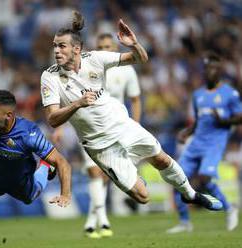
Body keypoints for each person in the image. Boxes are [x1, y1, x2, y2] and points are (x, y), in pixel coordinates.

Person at [40, 11, 223, 220]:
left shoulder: (96, 59)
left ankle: (190, 194)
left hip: (122, 125)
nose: (56, 50)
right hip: (99, 144)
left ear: (77, 49)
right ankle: (131, 174)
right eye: (55, 45)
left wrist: (133, 44)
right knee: (142, 196)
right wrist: (77, 104)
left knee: (161, 158)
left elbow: (140, 58)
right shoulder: (50, 77)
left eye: (61, 46)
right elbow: (53, 120)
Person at [166, 53, 242, 233]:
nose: (209, 72)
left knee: (205, 178)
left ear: (219, 71)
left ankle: (229, 208)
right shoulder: (198, 95)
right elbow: (200, 120)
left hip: (214, 143)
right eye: (207, 68)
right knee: (178, 178)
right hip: (196, 143)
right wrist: (187, 132)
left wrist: (223, 121)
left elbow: (240, 117)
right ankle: (185, 222)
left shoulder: (229, 93)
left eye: (213, 68)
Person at [83, 33, 142, 238]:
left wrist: (134, 125)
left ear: (115, 49)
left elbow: (135, 99)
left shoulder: (126, 71)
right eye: (100, 46)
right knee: (95, 173)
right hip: (91, 127)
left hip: (116, 127)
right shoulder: (88, 68)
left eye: (108, 46)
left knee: (107, 176)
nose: (104, 50)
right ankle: (103, 221)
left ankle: (92, 221)